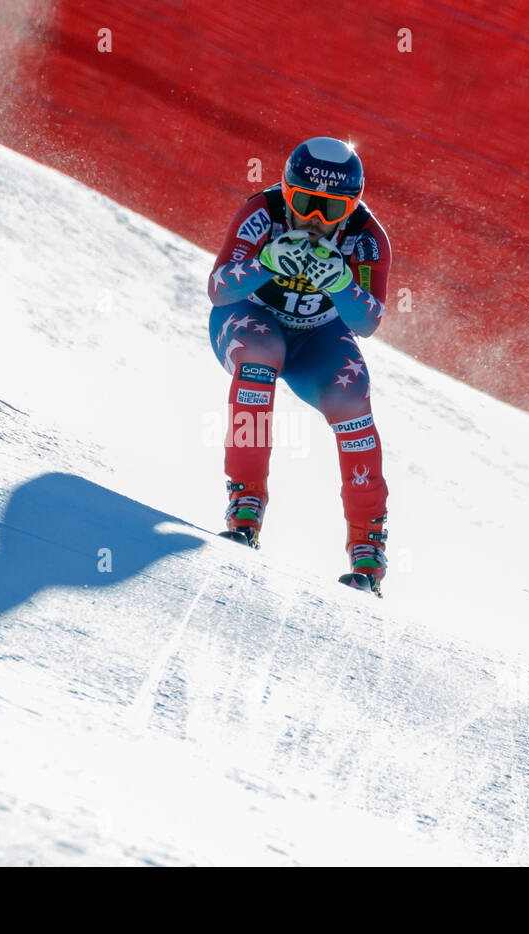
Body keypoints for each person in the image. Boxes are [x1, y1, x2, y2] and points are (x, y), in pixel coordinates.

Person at [207, 136, 392, 595]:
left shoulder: (368, 239)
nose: (315, 220)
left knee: (352, 400)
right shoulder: (261, 213)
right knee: (259, 357)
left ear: (352, 208)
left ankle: (368, 548)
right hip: (250, 317)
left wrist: (344, 284)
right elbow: (219, 290)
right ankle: (245, 503)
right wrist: (265, 263)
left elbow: (367, 322)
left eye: (331, 210)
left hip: (318, 338)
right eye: (305, 204)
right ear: (286, 194)